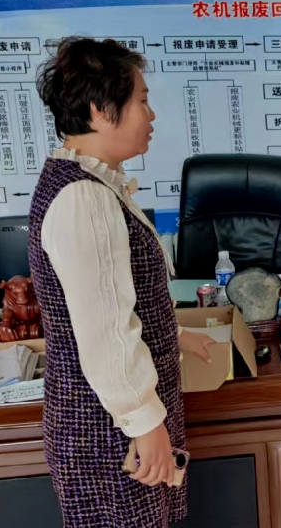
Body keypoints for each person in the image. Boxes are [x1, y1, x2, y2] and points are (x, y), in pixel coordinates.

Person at [31, 37, 214, 528]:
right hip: (110, 433)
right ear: (100, 111)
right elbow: (104, 331)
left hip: (119, 424)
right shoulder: (83, 198)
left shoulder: (91, 183)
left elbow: (114, 300)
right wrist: (145, 422)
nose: (151, 115)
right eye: (141, 100)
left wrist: (175, 333)